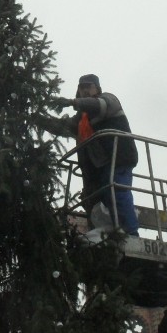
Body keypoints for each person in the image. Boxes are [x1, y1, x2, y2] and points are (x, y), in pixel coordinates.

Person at [55, 74, 139, 236]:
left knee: (118, 192)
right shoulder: (82, 118)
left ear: (97, 89)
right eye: (81, 87)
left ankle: (131, 233)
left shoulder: (109, 100)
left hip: (120, 158)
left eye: (89, 86)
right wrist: (36, 118)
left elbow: (98, 105)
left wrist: (73, 102)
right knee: (100, 200)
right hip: (99, 167)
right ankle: (112, 232)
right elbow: (62, 127)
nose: (85, 90)